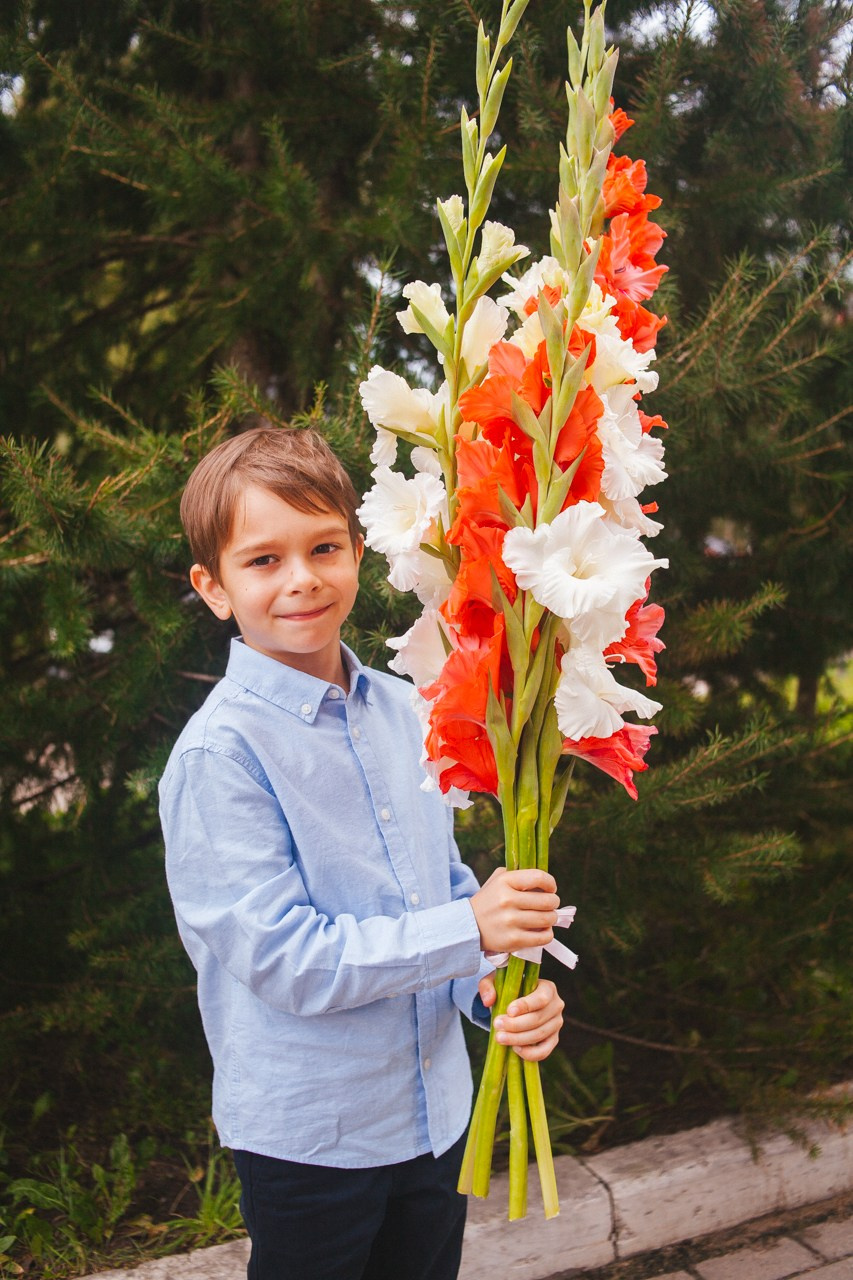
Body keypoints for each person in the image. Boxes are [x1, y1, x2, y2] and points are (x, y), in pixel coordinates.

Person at [159, 426, 566, 1280]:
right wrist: (470, 930)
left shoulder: (406, 707)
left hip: (435, 1115)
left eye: (324, 547)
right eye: (263, 560)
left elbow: (438, 888)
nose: (302, 578)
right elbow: (287, 960)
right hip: (315, 1138)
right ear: (214, 588)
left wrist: (492, 990)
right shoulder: (219, 756)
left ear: (356, 550)